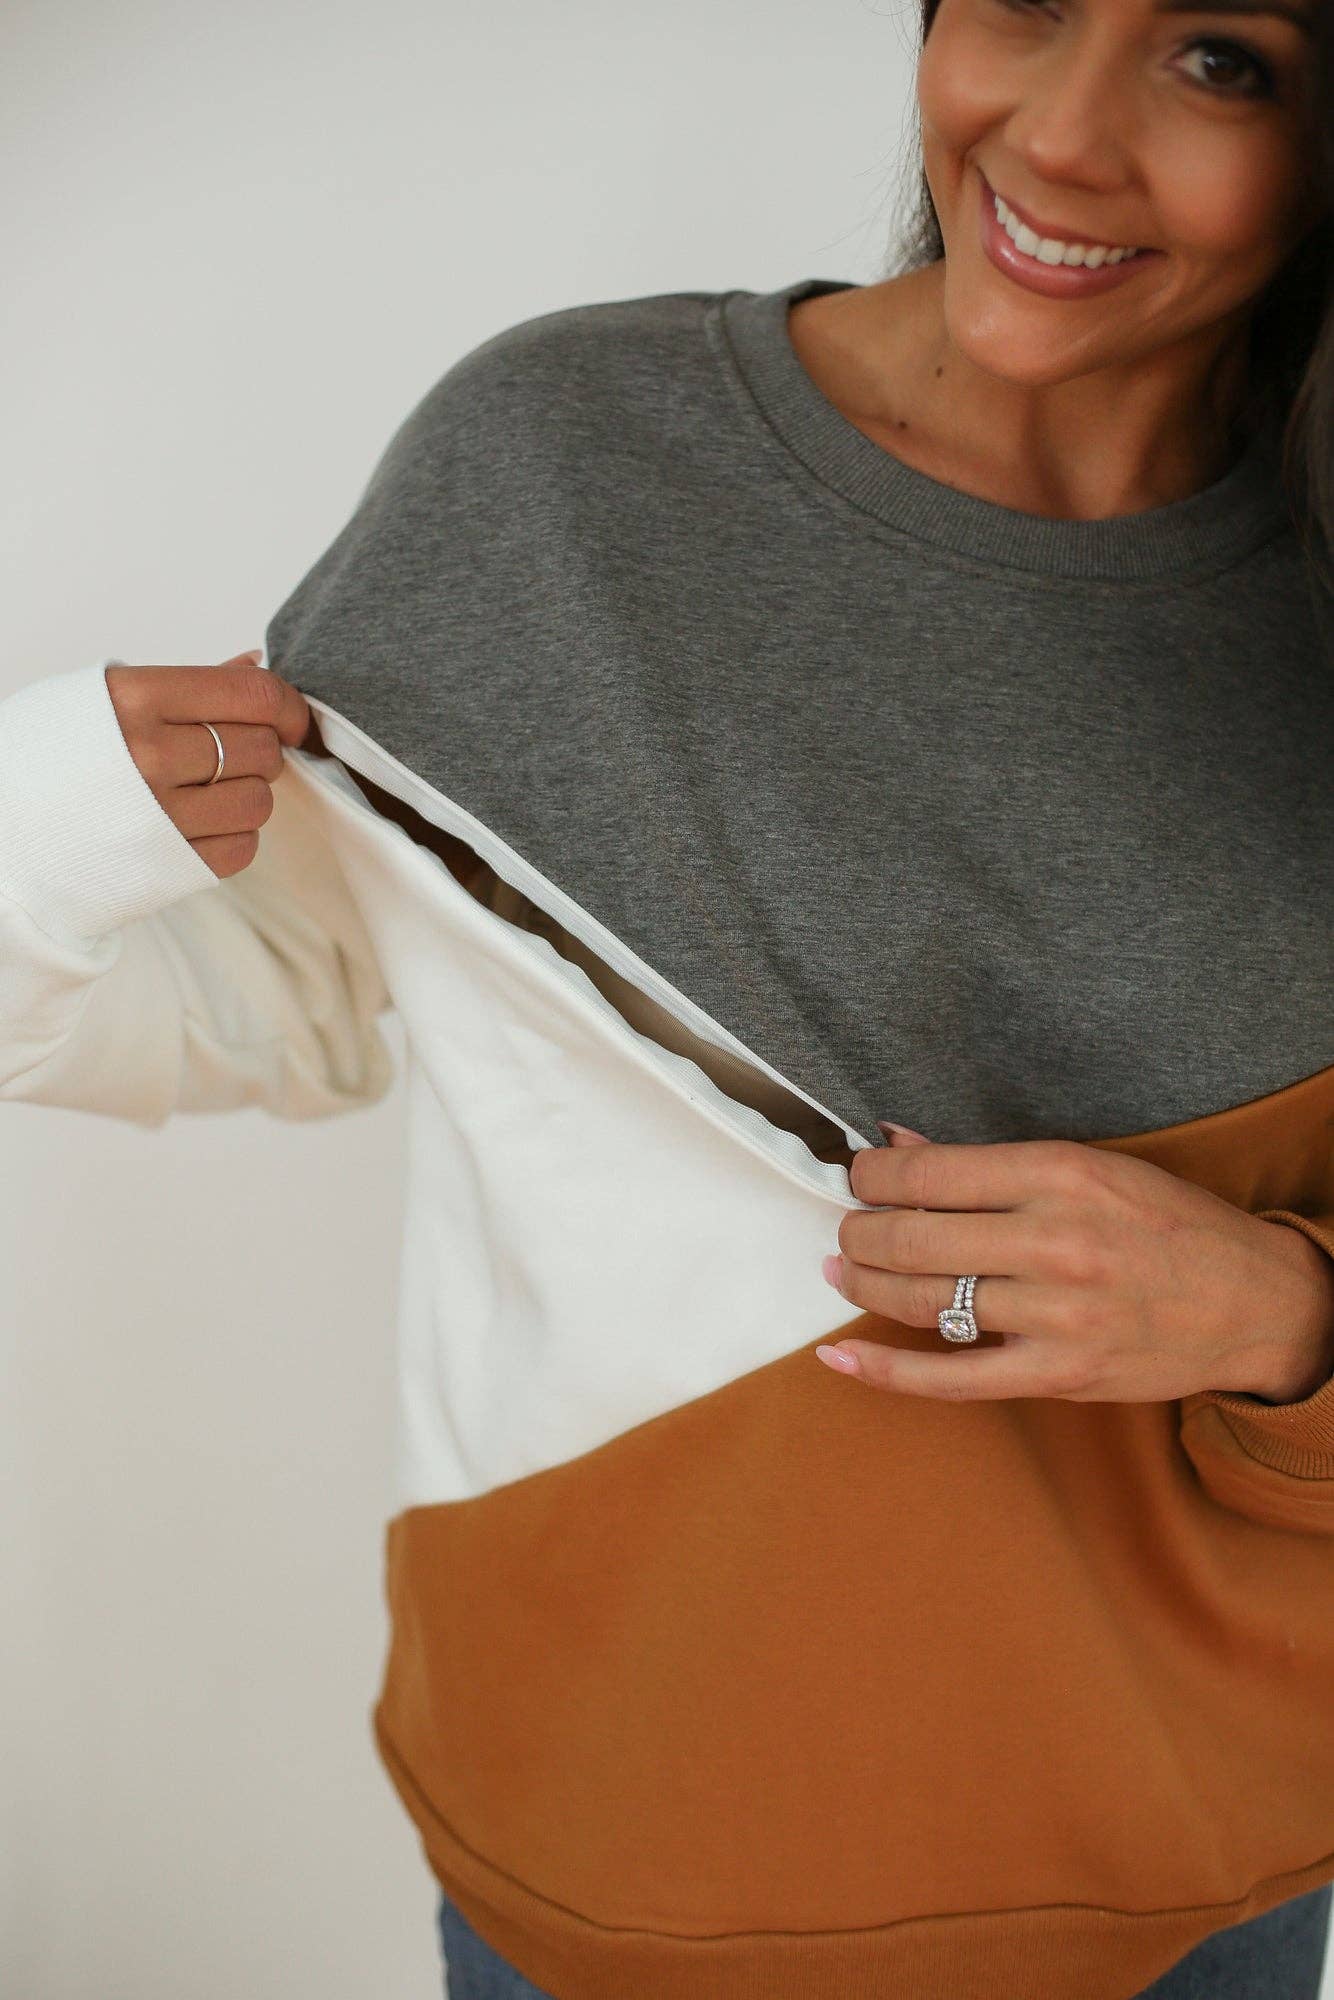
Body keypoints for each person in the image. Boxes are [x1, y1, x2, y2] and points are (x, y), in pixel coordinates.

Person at [3, 0, 1333, 1996]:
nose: (1060, 135)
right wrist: (37, 830)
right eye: (1028, 2)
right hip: (622, 1845)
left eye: (1220, 58)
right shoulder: (561, 460)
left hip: (1211, 1871)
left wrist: (1290, 1312)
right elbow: (277, 1009)